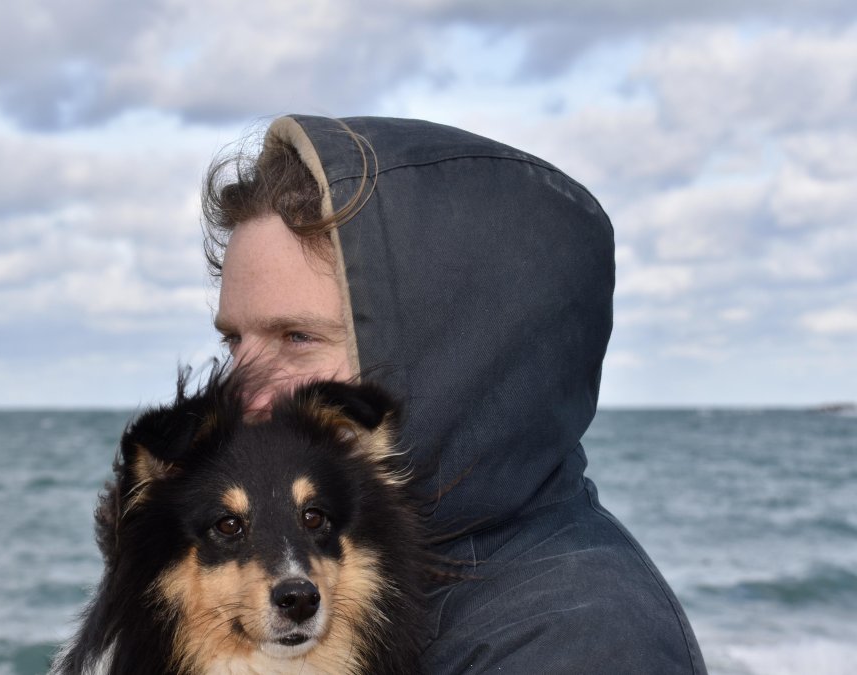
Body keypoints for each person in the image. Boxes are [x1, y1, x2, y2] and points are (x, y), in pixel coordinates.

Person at [202, 115, 707, 673]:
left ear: (457, 355)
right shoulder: (356, 578)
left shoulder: (583, 641)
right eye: (233, 341)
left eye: (297, 338)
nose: (238, 395)